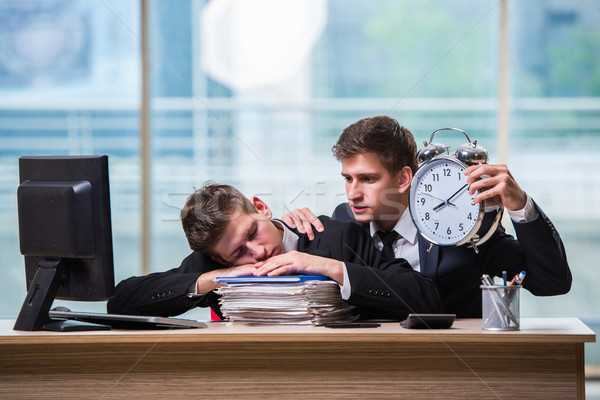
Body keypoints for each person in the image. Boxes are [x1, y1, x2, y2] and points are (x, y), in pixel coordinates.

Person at [283, 116, 572, 318]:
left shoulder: (462, 224)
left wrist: (520, 205)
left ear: (403, 178)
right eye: (348, 179)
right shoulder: (343, 220)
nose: (353, 193)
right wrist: (288, 230)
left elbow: (552, 283)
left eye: (368, 179)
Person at [107, 182, 444, 320]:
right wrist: (214, 278)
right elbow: (121, 300)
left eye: (253, 232)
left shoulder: (339, 237)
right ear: (220, 258)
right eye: (240, 252)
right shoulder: (214, 264)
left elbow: (425, 297)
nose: (259, 252)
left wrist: (330, 268)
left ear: (261, 207)